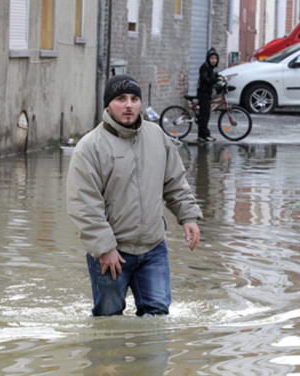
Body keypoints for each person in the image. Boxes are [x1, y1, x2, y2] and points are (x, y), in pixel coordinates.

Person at [66, 74, 203, 317]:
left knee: (158, 316)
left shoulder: (157, 137)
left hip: (153, 248)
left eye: (134, 98)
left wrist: (188, 216)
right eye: (121, 99)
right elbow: (84, 204)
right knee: (108, 322)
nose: (129, 105)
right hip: (112, 252)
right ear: (108, 105)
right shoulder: (90, 147)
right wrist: (105, 247)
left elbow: (174, 182)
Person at [197, 47, 224, 142]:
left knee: (206, 114)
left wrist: (220, 77)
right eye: (212, 58)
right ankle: (204, 135)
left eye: (215, 58)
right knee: (204, 115)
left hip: (207, 93)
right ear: (208, 58)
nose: (214, 60)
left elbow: (214, 76)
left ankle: (203, 133)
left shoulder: (211, 68)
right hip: (203, 93)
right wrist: (216, 79)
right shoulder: (205, 67)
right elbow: (206, 79)